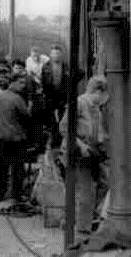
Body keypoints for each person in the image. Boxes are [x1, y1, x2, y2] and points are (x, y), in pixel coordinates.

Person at [59, 76, 109, 244]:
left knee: (104, 183)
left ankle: (79, 217)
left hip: (91, 152)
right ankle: (82, 230)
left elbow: (99, 132)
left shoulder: (97, 108)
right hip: (78, 153)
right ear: (98, 92)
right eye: (105, 94)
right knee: (87, 190)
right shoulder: (80, 103)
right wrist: (80, 145)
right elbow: (64, 127)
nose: (105, 99)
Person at [0, 76, 29, 203]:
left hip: (0, 138)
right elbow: (26, 116)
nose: (23, 85)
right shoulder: (17, 98)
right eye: (21, 82)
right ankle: (15, 195)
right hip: (16, 139)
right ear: (13, 83)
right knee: (17, 168)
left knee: (1, 167)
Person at [41, 44, 69, 149]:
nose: (56, 55)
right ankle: (54, 140)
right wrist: (46, 97)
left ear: (61, 55)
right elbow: (43, 83)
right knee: (52, 121)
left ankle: (62, 141)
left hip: (63, 98)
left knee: (63, 120)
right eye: (54, 53)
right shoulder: (46, 67)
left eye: (58, 53)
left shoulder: (66, 66)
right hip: (51, 98)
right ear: (50, 55)